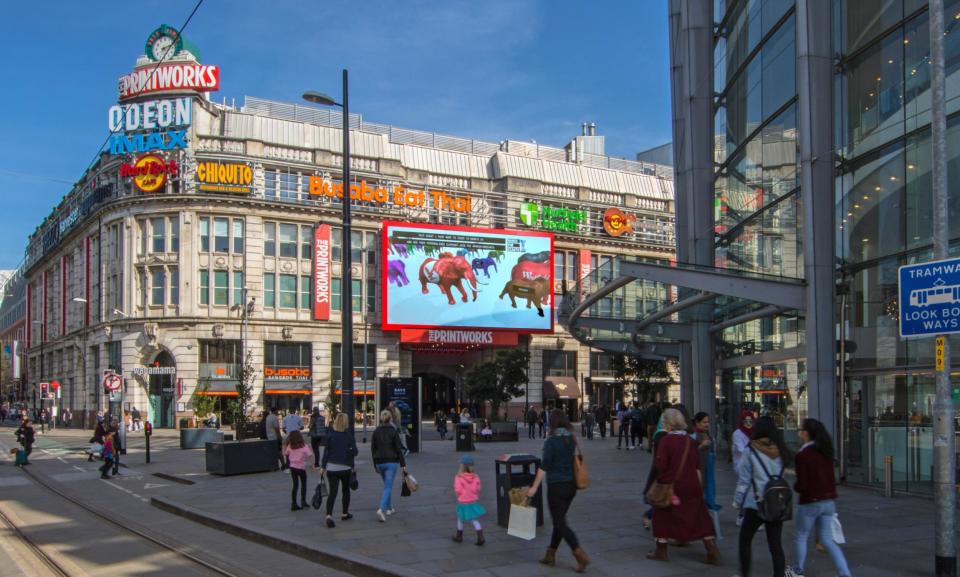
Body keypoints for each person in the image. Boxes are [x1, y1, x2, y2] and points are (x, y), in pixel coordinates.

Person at [646, 408, 720, 564]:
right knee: (700, 516)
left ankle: (661, 550)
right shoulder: (691, 441)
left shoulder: (665, 441)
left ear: (667, 423)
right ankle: (711, 548)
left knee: (661, 516)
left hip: (672, 486)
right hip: (692, 483)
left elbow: (661, 465)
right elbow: (696, 464)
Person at [526, 410, 589, 573]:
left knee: (559, 522)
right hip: (571, 486)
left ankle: (579, 554)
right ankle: (550, 554)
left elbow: (544, 466)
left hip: (556, 487)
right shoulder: (571, 439)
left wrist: (533, 487)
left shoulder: (551, 442)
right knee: (559, 521)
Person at [791, 418, 852, 577]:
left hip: (810, 501)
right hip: (828, 501)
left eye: (801, 430)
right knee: (827, 540)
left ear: (806, 433)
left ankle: (797, 570)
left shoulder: (803, 455)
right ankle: (844, 573)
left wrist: (796, 487)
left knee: (801, 536)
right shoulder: (825, 451)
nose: (800, 432)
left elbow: (802, 484)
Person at [733, 415, 792, 577]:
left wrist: (738, 501)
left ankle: (744, 573)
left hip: (755, 502)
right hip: (775, 502)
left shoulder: (751, 450)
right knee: (775, 545)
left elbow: (744, 480)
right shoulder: (780, 449)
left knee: (745, 540)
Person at [320, 413, 358, 528]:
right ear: (346, 423)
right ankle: (344, 513)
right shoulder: (348, 436)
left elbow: (326, 452)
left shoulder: (331, 435)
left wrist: (323, 467)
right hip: (345, 467)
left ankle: (329, 515)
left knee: (333, 492)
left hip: (331, 467)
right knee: (346, 490)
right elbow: (355, 452)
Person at [371, 410, 407, 522]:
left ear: (381, 418)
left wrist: (375, 465)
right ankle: (381, 509)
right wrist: (403, 464)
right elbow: (398, 449)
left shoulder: (376, 431)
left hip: (380, 462)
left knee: (387, 485)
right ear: (390, 418)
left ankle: (390, 508)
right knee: (388, 486)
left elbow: (373, 449)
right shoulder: (393, 431)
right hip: (391, 462)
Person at [452, 455, 486, 546]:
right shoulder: (476, 477)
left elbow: (458, 489)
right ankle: (480, 536)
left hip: (463, 501)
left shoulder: (459, 477)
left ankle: (459, 536)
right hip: (473, 501)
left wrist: (459, 495)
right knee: (474, 519)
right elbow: (478, 489)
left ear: (462, 466)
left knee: (460, 518)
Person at [693, 412, 721, 512]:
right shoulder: (693, 435)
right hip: (698, 471)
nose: (707, 424)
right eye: (704, 422)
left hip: (707, 469)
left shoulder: (706, 434)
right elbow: (689, 453)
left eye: (708, 422)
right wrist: (701, 446)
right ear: (697, 423)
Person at [282, 430, 313, 511]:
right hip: (301, 467)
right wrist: (312, 465)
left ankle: (294, 503)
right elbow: (310, 455)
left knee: (295, 485)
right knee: (303, 484)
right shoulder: (304, 445)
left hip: (293, 467)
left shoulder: (290, 446)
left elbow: (285, 454)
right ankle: (303, 501)